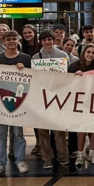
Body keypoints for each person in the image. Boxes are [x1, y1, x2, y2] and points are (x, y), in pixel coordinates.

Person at [0, 31, 32, 177]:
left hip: (18, 100)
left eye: (14, 39)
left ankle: (20, 160)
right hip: (0, 101)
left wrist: (25, 69)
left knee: (18, 133)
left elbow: (33, 78)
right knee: (0, 135)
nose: (11, 42)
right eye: (8, 39)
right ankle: (0, 163)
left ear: (18, 40)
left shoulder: (25, 58)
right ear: (3, 42)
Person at [30, 31, 71, 170]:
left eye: (49, 39)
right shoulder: (36, 58)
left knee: (59, 131)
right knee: (43, 132)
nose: (47, 42)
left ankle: (63, 156)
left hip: (59, 97)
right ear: (41, 42)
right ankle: (47, 158)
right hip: (41, 98)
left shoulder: (63, 55)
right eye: (44, 40)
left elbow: (68, 75)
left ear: (53, 40)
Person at [69, 44, 94, 167]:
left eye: (93, 53)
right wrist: (74, 77)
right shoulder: (74, 66)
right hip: (80, 102)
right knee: (82, 130)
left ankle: (92, 153)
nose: (90, 55)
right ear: (84, 53)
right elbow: (66, 83)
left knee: (93, 129)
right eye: (88, 52)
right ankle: (80, 154)